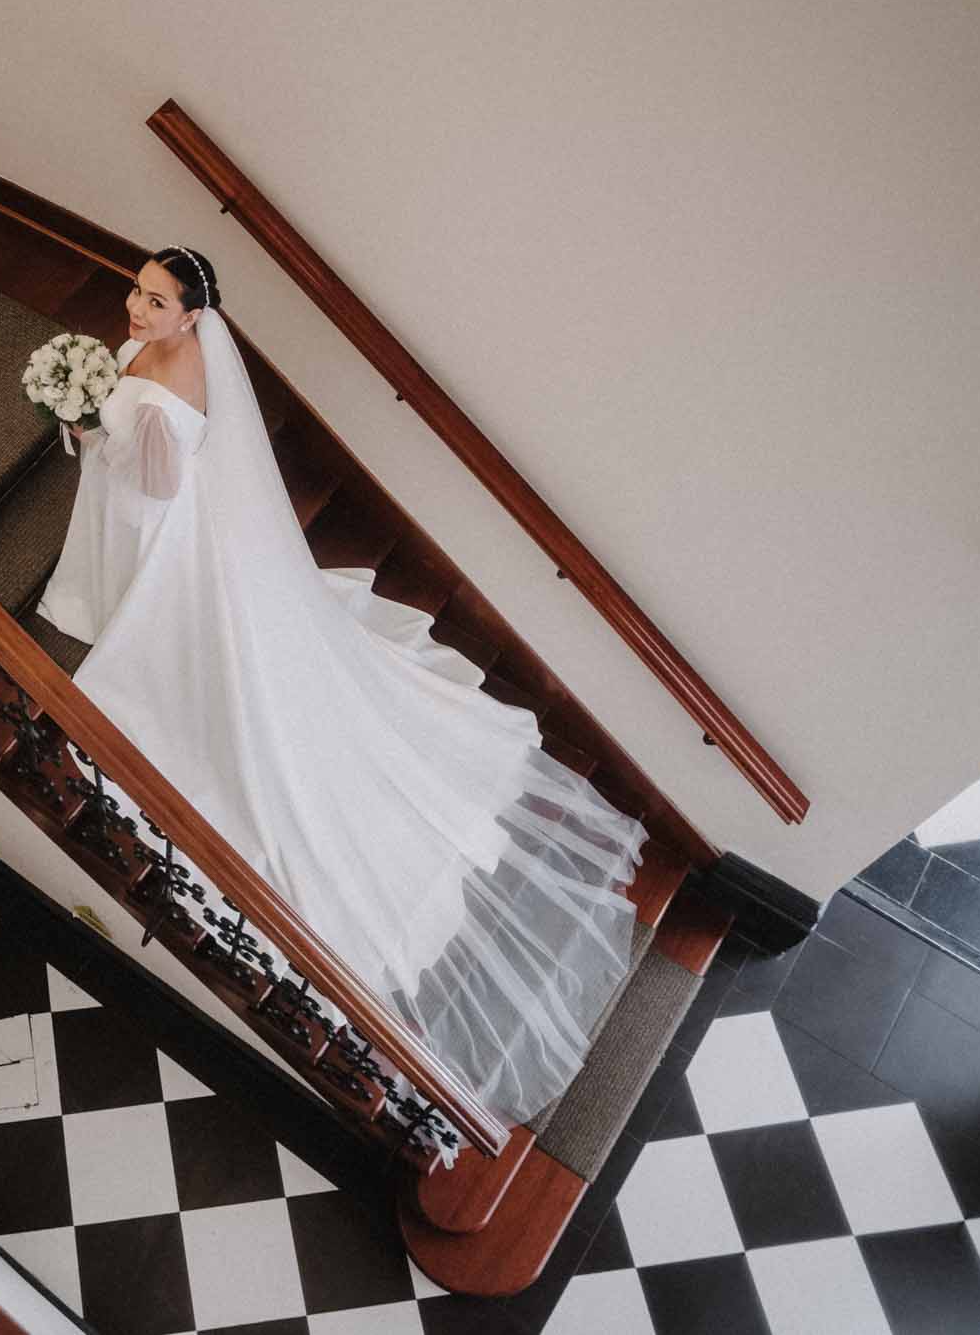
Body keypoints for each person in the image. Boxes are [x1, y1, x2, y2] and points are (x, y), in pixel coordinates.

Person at [34, 246, 642, 1124]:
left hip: (167, 534)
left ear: (194, 315)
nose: (137, 307)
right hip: (135, 516)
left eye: (157, 301)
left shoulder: (184, 380)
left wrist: (102, 426)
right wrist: (93, 414)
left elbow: (161, 484)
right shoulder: (141, 347)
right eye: (138, 290)